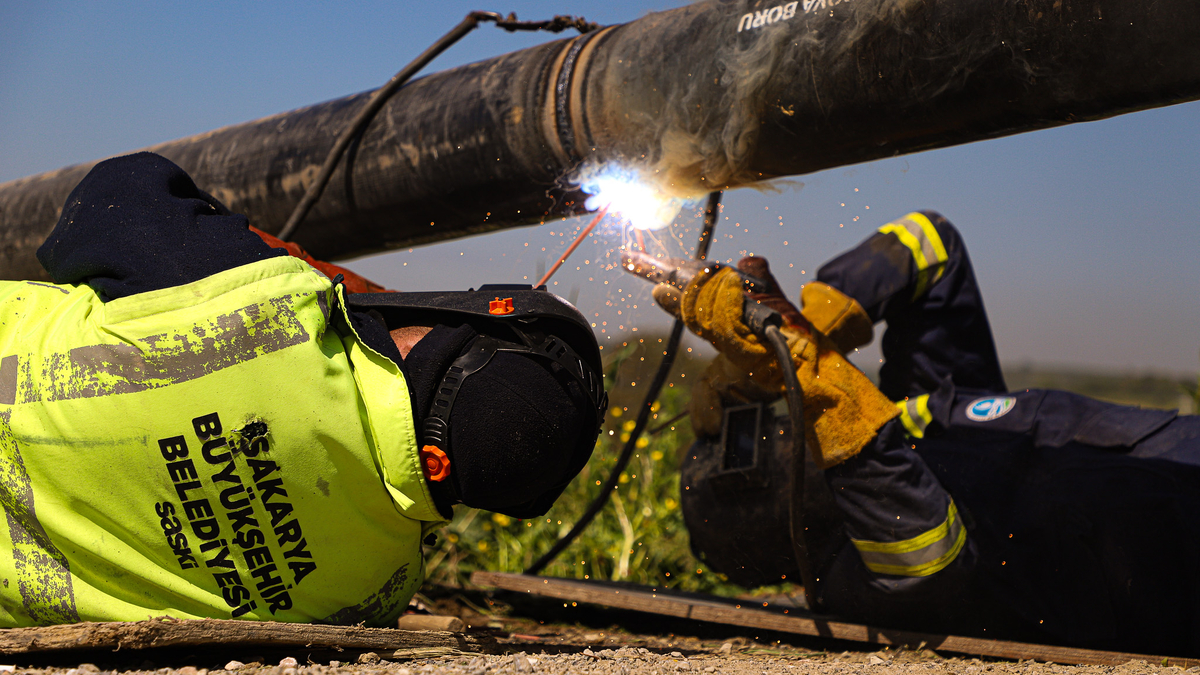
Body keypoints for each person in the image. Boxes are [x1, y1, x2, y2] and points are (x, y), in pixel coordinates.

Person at [0, 152, 605, 627]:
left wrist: (279, 269)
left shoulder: (260, 307)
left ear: (464, 329)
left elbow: (114, 195)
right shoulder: (379, 588)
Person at [659, 210, 1200, 656]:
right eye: (751, 451)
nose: (775, 433)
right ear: (773, 521)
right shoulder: (854, 576)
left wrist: (808, 323)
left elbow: (932, 245)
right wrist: (802, 367)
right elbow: (924, 555)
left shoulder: (917, 413)